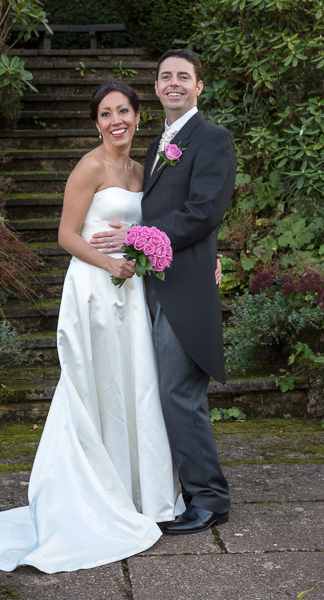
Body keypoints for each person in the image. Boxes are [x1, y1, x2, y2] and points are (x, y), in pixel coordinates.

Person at [0, 81, 185, 574]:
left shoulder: (142, 171)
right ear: (96, 122)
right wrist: (110, 266)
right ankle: (88, 498)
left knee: (136, 387)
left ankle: (141, 494)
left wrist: (141, 247)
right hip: (94, 290)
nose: (117, 119)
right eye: (107, 112)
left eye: (125, 110)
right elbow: (66, 235)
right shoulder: (89, 167)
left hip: (131, 293)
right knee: (93, 387)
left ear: (138, 117)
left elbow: (150, 228)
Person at [91, 49, 237, 534]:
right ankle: (188, 489)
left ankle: (210, 499)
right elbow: (160, 210)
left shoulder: (213, 139)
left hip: (185, 288)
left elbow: (203, 211)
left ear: (199, 86)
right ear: (156, 88)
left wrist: (135, 240)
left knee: (179, 391)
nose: (173, 83)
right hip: (153, 287)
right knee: (165, 392)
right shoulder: (158, 146)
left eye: (183, 77)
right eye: (164, 77)